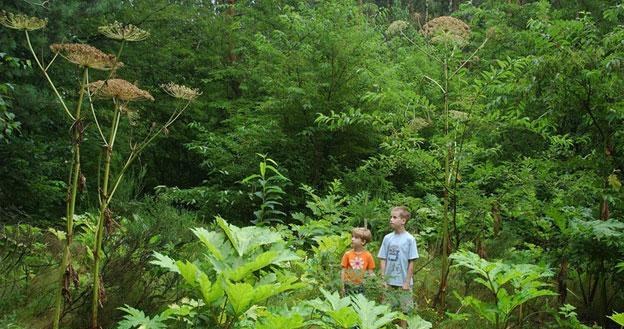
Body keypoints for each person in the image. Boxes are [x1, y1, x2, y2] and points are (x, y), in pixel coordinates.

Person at [378, 206, 419, 328]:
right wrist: (383, 279)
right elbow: (382, 258)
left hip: (404, 282)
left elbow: (412, 262)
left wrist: (406, 282)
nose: (391, 219)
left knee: (404, 310)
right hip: (389, 281)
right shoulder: (387, 238)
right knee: (386, 308)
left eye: (394, 217)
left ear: (403, 221)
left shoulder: (410, 239)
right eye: (391, 217)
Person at [340, 227, 375, 296]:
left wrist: (376, 282)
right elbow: (343, 271)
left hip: (361, 285)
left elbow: (371, 272)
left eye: (356, 237)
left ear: (363, 242)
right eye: (352, 236)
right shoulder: (347, 254)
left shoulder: (368, 256)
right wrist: (342, 286)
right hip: (348, 285)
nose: (352, 239)